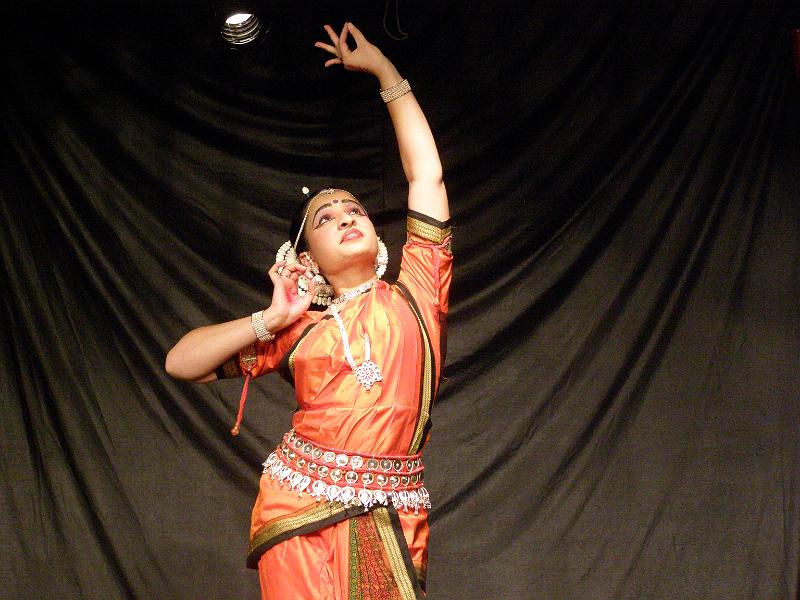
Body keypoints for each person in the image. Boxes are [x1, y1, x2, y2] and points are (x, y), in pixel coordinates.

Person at [166, 22, 451, 600]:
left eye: (355, 211)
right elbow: (181, 363)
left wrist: (385, 73)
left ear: (377, 233)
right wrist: (269, 320)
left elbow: (426, 175)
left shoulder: (417, 293)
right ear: (306, 259)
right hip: (296, 508)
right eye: (326, 219)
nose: (346, 218)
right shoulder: (298, 329)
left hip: (391, 513)